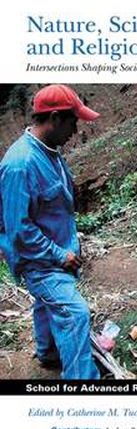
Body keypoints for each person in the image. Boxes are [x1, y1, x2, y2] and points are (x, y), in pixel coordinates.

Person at [0, 84, 100, 379]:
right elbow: (19, 230)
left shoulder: (50, 151)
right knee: (75, 314)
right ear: (55, 118)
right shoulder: (20, 165)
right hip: (39, 259)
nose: (76, 129)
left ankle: (48, 353)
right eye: (73, 121)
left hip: (57, 247)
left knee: (48, 304)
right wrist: (59, 255)